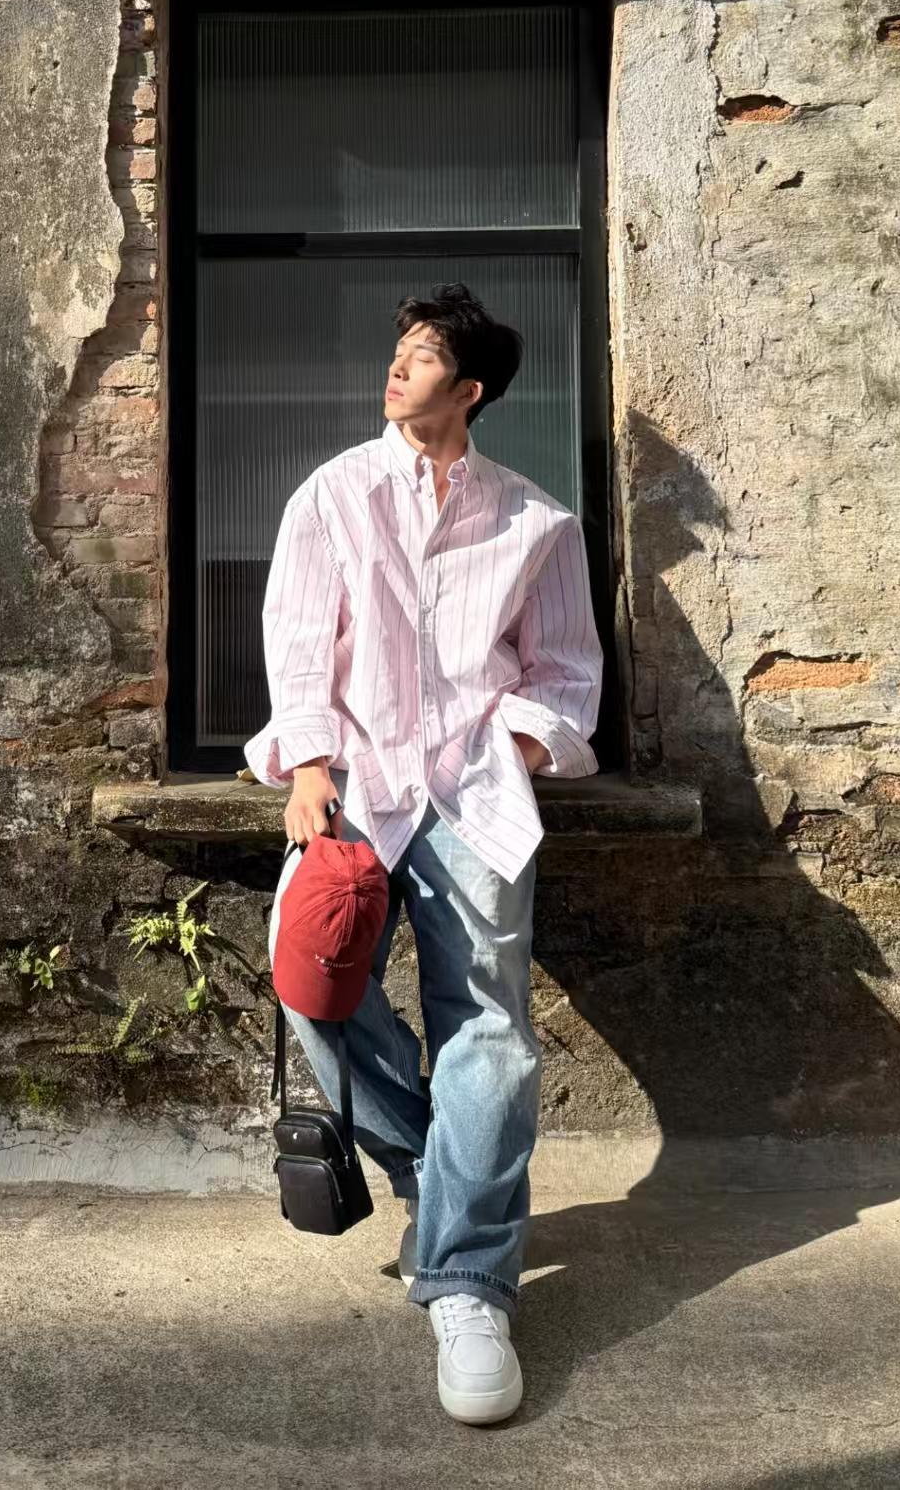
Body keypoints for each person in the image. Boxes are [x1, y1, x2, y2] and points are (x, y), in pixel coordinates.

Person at [243, 281, 604, 1426]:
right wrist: (306, 765)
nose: (395, 368)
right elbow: (297, 639)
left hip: (473, 793)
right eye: (395, 351)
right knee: (309, 980)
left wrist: (518, 747)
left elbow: (565, 671)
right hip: (352, 784)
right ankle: (429, 1169)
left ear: (471, 388)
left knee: (487, 1023)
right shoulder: (332, 494)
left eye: (421, 355)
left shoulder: (533, 521)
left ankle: (466, 1281)